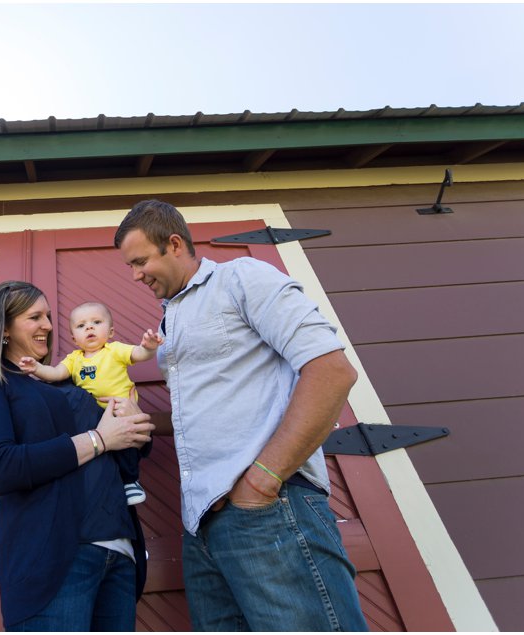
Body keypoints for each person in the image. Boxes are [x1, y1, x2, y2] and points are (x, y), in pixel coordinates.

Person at [114, 200, 368, 631]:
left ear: (174, 244)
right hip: (202, 526)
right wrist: (139, 423)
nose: (136, 275)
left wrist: (262, 481)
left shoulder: (241, 279)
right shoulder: (170, 324)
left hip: (267, 509)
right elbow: (205, 411)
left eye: (140, 261)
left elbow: (331, 371)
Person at [0, 280, 155, 631]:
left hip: (119, 553)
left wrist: (132, 425)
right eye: (35, 317)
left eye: (49, 317)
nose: (50, 326)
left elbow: (124, 450)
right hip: (57, 560)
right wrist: (98, 439)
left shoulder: (70, 383)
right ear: (3, 327)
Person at [18, 301, 163, 505]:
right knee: (104, 451)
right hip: (93, 414)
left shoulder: (114, 350)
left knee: (127, 445)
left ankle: (130, 481)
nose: (89, 328)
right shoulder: (74, 359)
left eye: (96, 322)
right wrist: (36, 368)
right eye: (81, 326)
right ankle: (111, 483)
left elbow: (139, 354)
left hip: (120, 409)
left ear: (111, 331)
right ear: (73, 338)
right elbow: (56, 373)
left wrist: (148, 348)